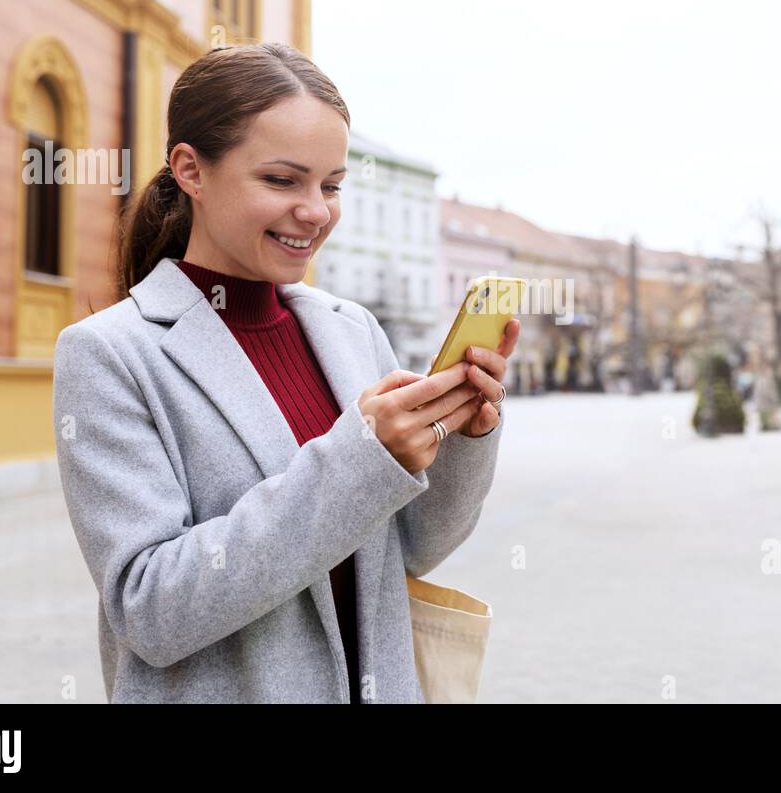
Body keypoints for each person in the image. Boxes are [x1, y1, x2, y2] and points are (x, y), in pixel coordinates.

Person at [52, 43, 520, 703]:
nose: (316, 210)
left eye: (331, 184)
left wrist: (461, 437)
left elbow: (408, 550)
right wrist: (362, 459)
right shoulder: (110, 353)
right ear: (190, 169)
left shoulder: (351, 330)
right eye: (281, 180)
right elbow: (150, 609)